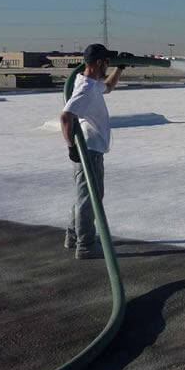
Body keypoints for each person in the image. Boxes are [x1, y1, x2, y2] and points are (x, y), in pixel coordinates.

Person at [59, 43, 124, 259]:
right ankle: (85, 245)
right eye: (107, 63)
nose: (108, 66)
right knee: (90, 199)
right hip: (89, 151)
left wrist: (120, 69)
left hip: (92, 150)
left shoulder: (93, 84)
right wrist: (71, 148)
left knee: (84, 197)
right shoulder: (86, 88)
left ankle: (73, 236)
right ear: (98, 63)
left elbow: (109, 86)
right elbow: (66, 116)